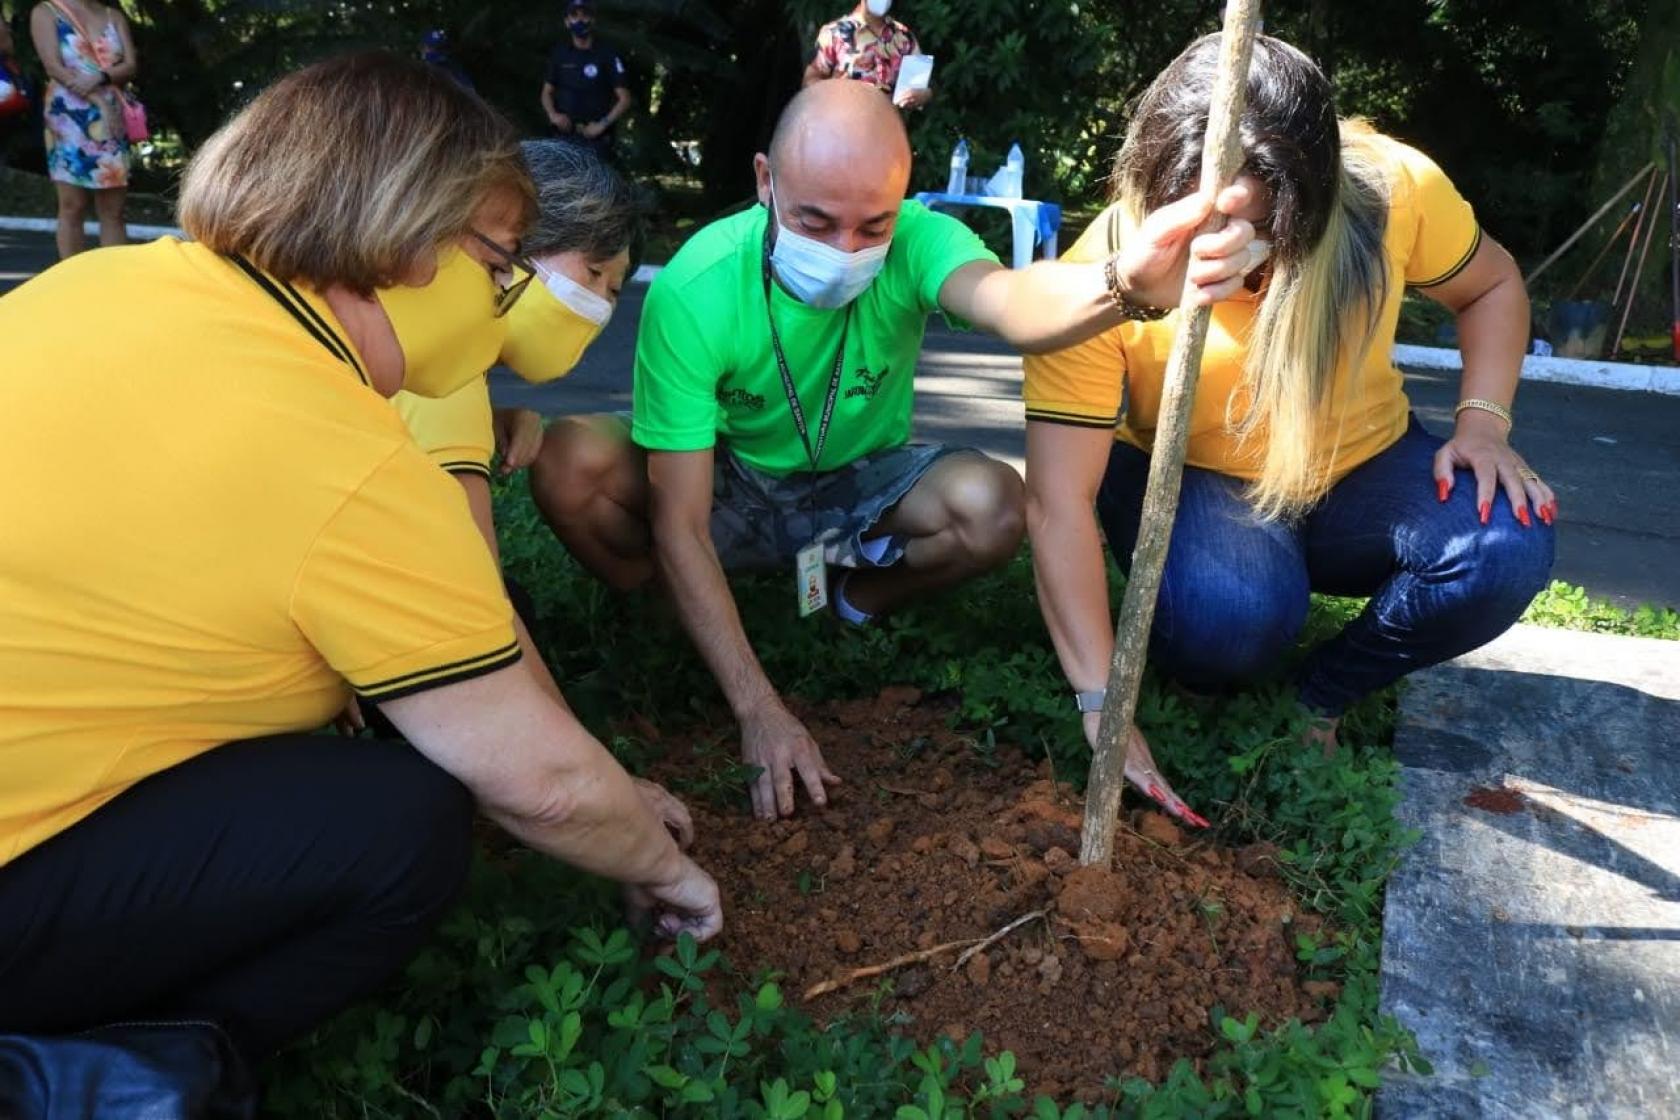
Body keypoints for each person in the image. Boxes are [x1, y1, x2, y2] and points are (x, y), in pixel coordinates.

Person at [0, 52, 718, 1110]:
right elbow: (539, 780)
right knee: (406, 822)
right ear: (410, 239)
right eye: (503, 260)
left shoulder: (106, 281)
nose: (510, 295)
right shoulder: (350, 453)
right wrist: (669, 874)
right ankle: (98, 1073)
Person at [530, 79, 1224, 824]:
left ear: (903, 202)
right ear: (764, 181)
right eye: (816, 221)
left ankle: (841, 602)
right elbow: (680, 515)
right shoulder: (697, 285)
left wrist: (1127, 282)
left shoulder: (922, 240)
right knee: (571, 461)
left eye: (873, 227)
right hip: (730, 483)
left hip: (854, 487)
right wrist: (760, 709)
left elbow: (1013, 303)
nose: (845, 251)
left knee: (989, 504)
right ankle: (664, 611)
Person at [1022, 33, 1556, 817]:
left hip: (1359, 473)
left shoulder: (1392, 188)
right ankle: (1236, 619)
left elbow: (1493, 284)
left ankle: (1322, 694)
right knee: (1230, 624)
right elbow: (1057, 501)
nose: (1236, 263)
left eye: (1264, 234)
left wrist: (1481, 425)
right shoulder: (1094, 282)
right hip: (1200, 484)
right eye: (1203, 231)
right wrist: (1102, 703)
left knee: (1504, 545)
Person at [387, 139, 636, 714]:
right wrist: (580, 761)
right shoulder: (446, 380)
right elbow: (477, 601)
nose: (598, 304)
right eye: (593, 273)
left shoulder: (416, 324)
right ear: (517, 245)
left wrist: (495, 412)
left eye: (615, 290)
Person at [30, 0, 135, 258]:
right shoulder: (46, 12)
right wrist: (97, 101)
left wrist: (101, 78)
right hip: (68, 117)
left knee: (113, 209)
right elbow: (53, 67)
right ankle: (72, 282)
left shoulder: (113, 15)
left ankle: (115, 278)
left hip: (112, 118)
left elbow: (130, 65)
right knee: (72, 205)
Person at [540, 0, 631, 156]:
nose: (580, 20)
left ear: (592, 20)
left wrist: (602, 125)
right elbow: (546, 92)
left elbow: (624, 98)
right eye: (574, 16)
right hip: (563, 137)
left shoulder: (607, 54)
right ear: (567, 22)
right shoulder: (559, 54)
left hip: (596, 139)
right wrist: (553, 115)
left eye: (585, 15)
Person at [803, 0, 930, 111]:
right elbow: (809, 81)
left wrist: (922, 95)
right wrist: (834, 90)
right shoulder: (834, 34)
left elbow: (921, 88)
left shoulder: (904, 36)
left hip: (888, 130)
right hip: (841, 129)